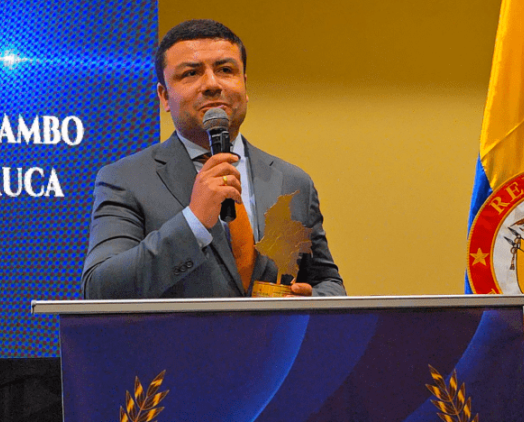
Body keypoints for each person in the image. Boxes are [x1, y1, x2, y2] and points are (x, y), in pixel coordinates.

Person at [81, 19, 345, 299]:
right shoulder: (125, 179)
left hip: (276, 343)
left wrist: (311, 301)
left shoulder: (292, 181)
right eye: (191, 73)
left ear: (244, 85)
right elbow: (100, 288)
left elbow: (328, 282)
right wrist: (193, 221)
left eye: (225, 70)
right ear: (164, 97)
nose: (211, 84)